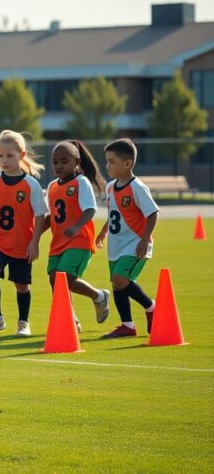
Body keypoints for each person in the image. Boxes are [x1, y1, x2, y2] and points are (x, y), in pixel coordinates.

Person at [0, 130, 48, 337]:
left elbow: (40, 216)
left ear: (21, 155)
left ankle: (23, 323)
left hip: (22, 245)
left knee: (21, 285)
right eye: (0, 156)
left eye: (9, 155)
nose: (4, 160)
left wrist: (35, 243)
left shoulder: (31, 184)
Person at [43, 140, 110, 332]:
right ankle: (72, 316)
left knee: (64, 277)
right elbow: (50, 217)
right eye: (55, 162)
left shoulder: (81, 182)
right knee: (54, 279)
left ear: (77, 162)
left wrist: (76, 227)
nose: (59, 166)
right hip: (58, 242)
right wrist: (33, 237)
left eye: (64, 161)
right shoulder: (52, 186)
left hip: (79, 240)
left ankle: (98, 296)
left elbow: (90, 209)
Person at [96, 138, 159, 338]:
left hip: (135, 243)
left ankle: (152, 307)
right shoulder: (110, 187)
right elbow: (115, 213)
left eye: (111, 161)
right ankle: (128, 326)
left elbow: (153, 213)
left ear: (127, 163)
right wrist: (104, 231)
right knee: (117, 284)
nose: (107, 166)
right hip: (116, 244)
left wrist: (144, 240)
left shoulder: (137, 187)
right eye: (106, 161)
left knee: (120, 279)